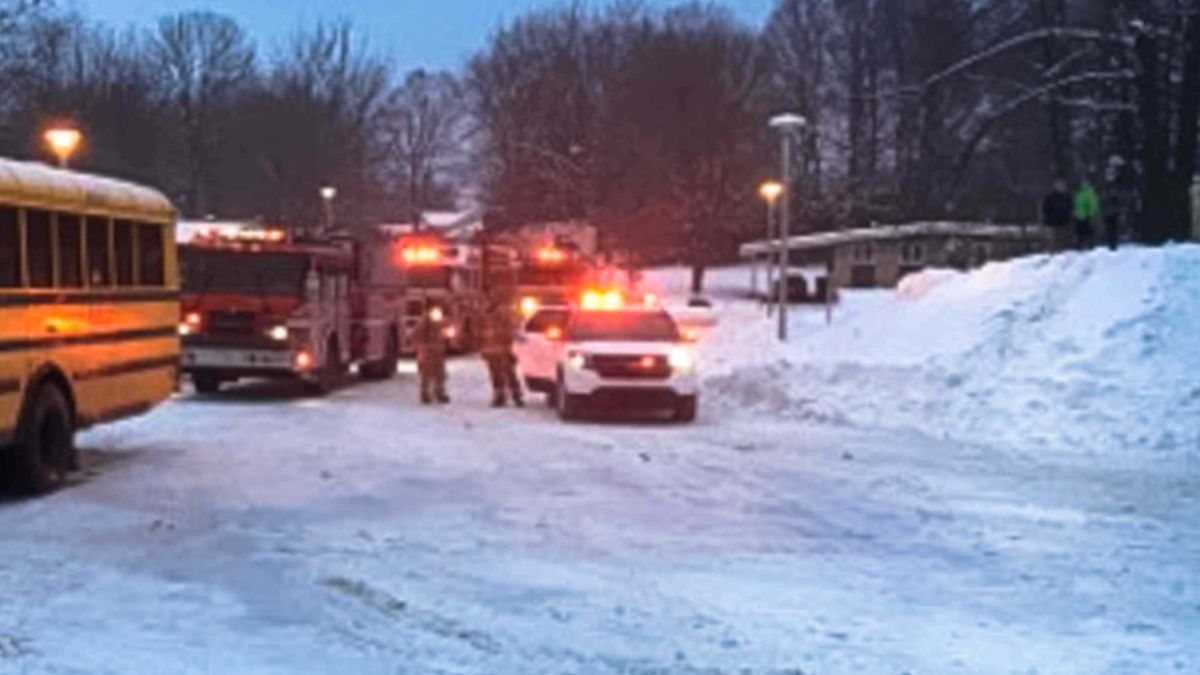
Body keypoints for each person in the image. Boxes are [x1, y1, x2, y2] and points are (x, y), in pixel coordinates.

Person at [480, 293, 524, 408]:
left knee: (508, 373)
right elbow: (481, 335)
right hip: (492, 351)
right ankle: (500, 396)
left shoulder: (503, 314)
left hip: (503, 350)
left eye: (487, 301)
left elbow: (511, 329)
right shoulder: (485, 316)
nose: (485, 304)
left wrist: (507, 338)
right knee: (496, 375)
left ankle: (516, 395)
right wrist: (484, 350)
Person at [414, 301, 450, 404]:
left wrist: (447, 334)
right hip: (427, 352)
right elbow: (416, 335)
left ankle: (439, 393)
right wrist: (422, 347)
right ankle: (425, 394)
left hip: (438, 351)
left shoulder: (440, 321)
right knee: (426, 373)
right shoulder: (424, 322)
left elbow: (445, 332)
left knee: (440, 373)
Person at [1041, 179, 1073, 252]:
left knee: (1065, 240)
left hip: (1065, 222)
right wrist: (1047, 219)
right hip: (1053, 222)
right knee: (1053, 241)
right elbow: (1045, 209)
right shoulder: (1050, 197)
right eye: (1059, 186)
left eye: (1062, 186)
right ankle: (1052, 253)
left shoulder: (1067, 197)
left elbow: (1070, 207)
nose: (1061, 187)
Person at [1073, 179, 1101, 250]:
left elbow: (1093, 203)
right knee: (1079, 231)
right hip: (1078, 214)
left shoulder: (1089, 192)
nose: (1084, 184)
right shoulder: (1078, 192)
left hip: (1086, 215)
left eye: (1085, 183)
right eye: (1083, 183)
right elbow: (1076, 202)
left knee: (1088, 230)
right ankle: (1080, 244)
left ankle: (1090, 244)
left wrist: (1091, 213)